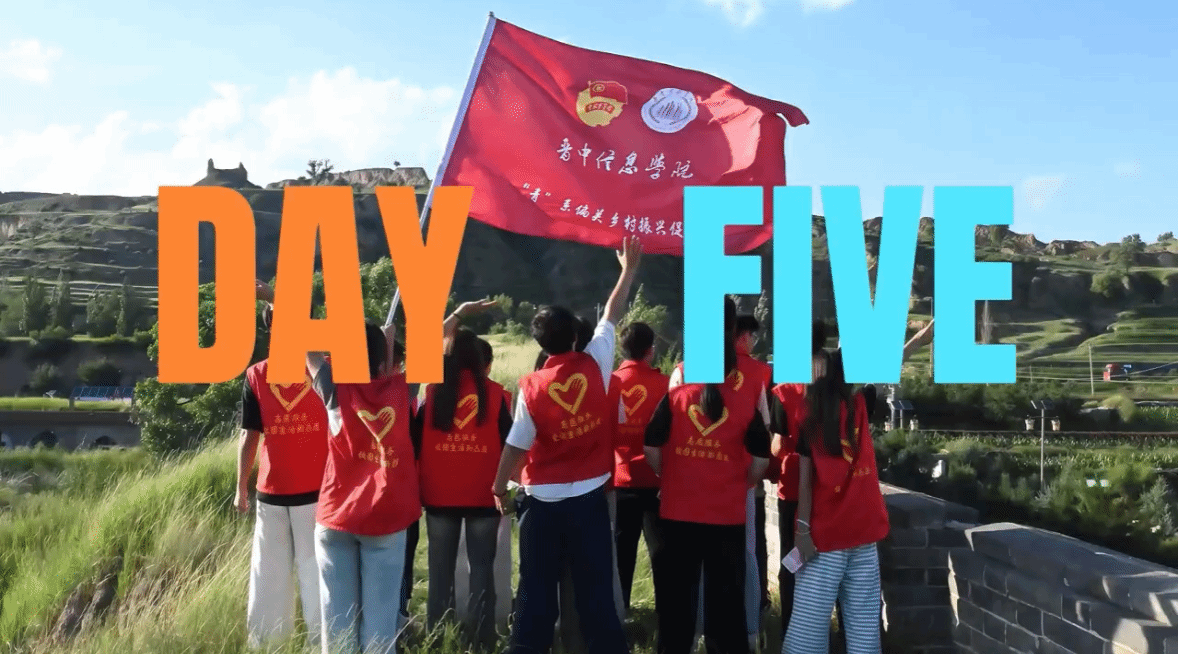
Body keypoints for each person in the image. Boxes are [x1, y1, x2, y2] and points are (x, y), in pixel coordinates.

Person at [491, 236, 643, 654]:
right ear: (575, 338)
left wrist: (499, 488)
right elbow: (612, 314)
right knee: (596, 594)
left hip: (541, 505)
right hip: (589, 501)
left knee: (535, 594)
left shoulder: (531, 386)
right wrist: (628, 270)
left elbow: (516, 446)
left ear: (540, 344)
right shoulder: (597, 363)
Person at [268, 278, 420, 654]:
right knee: (380, 623)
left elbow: (301, 341)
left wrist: (275, 299)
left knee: (337, 623)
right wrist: (387, 350)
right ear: (385, 359)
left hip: (336, 517)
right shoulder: (404, 390)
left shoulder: (334, 389)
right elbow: (428, 347)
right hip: (385, 520)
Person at [644, 296, 771, 654]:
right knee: (726, 605)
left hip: (678, 511)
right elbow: (763, 452)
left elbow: (652, 444)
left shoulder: (678, 389)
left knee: (676, 603)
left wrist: (670, 475)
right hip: (727, 512)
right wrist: (745, 480)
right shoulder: (748, 392)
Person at [235, 299, 328, 650]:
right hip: (308, 492)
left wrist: (241, 488)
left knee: (270, 573)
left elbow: (249, 436)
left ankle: (267, 643)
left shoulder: (258, 374)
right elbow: (249, 435)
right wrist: (241, 487)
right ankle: (322, 642)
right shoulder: (323, 369)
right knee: (315, 572)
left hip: (278, 491)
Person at [784, 349, 889, 654]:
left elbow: (805, 483)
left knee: (808, 628)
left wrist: (802, 531)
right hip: (865, 531)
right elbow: (887, 362)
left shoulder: (809, 415)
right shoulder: (862, 405)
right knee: (864, 625)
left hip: (824, 537)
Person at [415, 319, 511, 646]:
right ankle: (483, 638)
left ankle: (438, 637)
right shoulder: (496, 395)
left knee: (439, 572)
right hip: (484, 495)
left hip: (439, 496)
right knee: (482, 570)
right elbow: (511, 444)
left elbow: (414, 442)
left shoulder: (432, 394)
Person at [609, 322, 670, 611]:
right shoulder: (665, 384)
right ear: (650, 350)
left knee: (621, 553)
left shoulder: (610, 383)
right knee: (662, 553)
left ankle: (619, 613)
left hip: (621, 479)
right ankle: (667, 614)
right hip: (658, 479)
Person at [733, 314, 773, 627]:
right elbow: (767, 428)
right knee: (749, 548)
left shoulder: (685, 370)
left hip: (699, 479)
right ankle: (752, 616)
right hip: (746, 476)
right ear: (744, 336)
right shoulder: (761, 372)